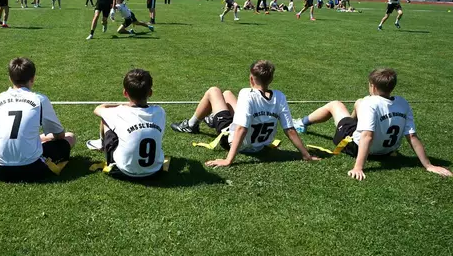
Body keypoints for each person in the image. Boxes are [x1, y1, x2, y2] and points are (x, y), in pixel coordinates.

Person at [293, 68, 452, 181]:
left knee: (335, 104)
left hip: (356, 147)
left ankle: (301, 123)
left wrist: (358, 167)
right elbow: (412, 136)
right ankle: (353, 123)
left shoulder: (370, 103)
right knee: (359, 102)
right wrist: (428, 165)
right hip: (387, 152)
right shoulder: (403, 103)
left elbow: (367, 136)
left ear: (373, 86)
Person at [170, 60, 319, 167]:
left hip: (234, 141)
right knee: (227, 94)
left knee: (213, 91)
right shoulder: (280, 96)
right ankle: (213, 118)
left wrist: (229, 160)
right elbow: (290, 129)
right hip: (259, 145)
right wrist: (306, 155)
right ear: (271, 79)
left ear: (251, 78)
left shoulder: (247, 94)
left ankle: (191, 125)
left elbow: (242, 128)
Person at [0, 57, 76, 183]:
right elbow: (59, 135)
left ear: (10, 78)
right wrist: (43, 138)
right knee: (70, 137)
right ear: (33, 78)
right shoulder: (40, 99)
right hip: (32, 168)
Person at [86, 69, 165, 179]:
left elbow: (99, 108)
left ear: (125, 93)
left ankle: (102, 144)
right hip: (155, 170)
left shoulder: (119, 112)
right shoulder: (160, 111)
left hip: (124, 170)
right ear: (150, 93)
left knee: (105, 119)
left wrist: (123, 104)